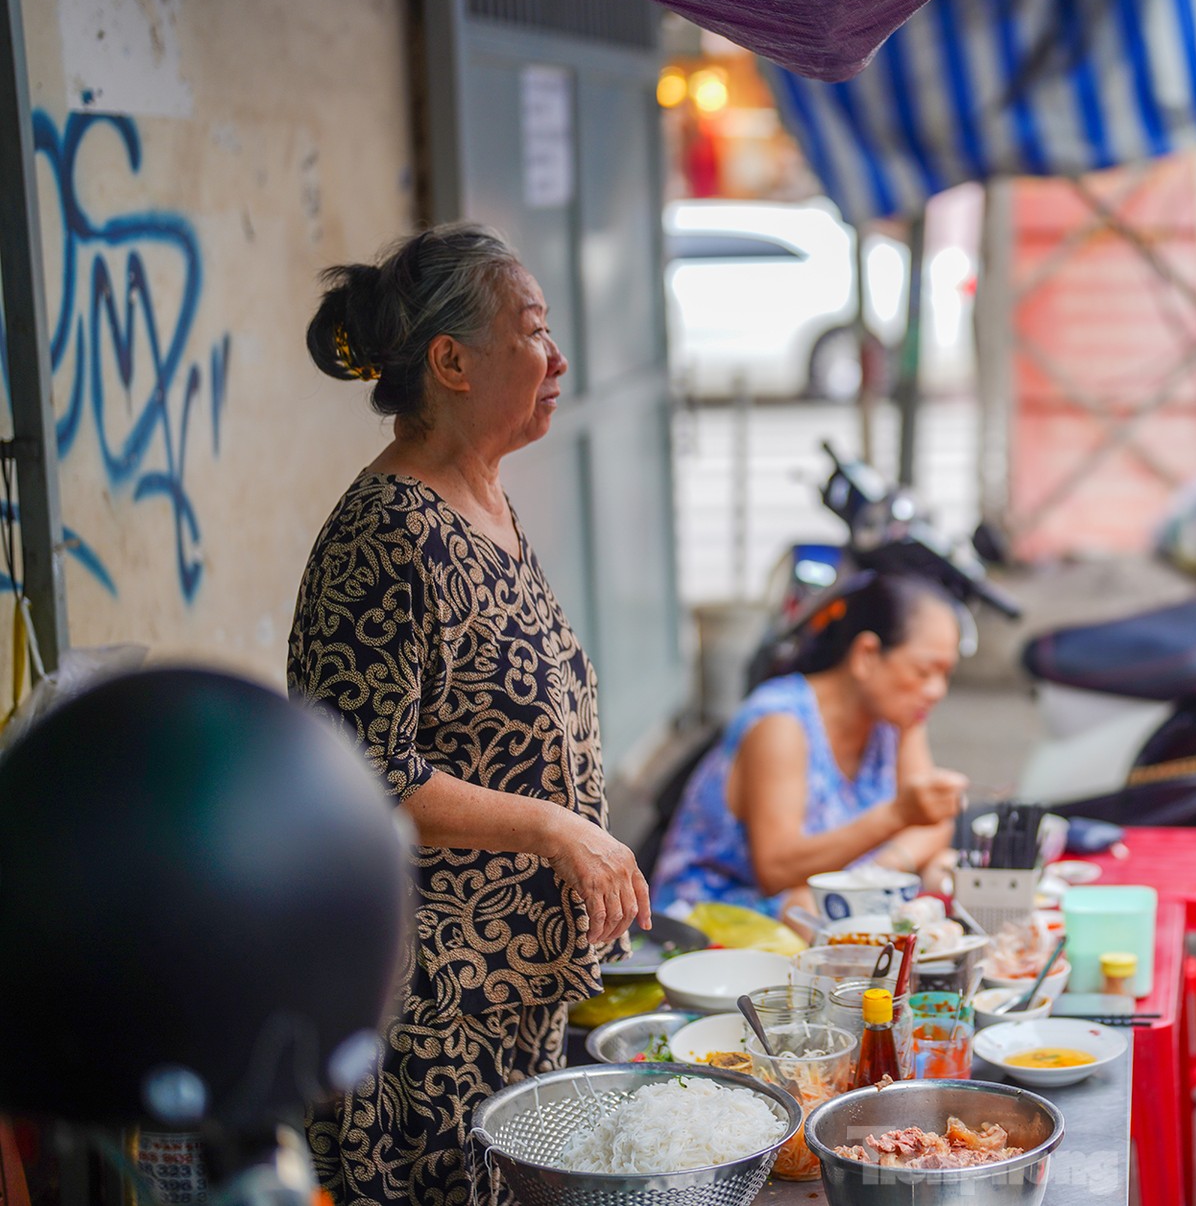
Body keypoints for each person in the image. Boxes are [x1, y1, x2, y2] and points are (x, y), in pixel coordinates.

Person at [288, 224, 650, 1205]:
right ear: (451, 360)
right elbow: (357, 776)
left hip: (515, 989)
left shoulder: (483, 505)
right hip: (432, 1007)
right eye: (532, 330)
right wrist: (555, 825)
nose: (558, 356)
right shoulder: (388, 534)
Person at [654, 573, 970, 917]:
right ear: (866, 654)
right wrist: (895, 818)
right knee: (810, 907)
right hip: (714, 916)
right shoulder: (781, 723)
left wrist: (879, 870)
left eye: (946, 674)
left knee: (943, 867)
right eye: (924, 672)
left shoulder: (899, 718)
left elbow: (932, 824)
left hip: (824, 897)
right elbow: (775, 870)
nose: (937, 690)